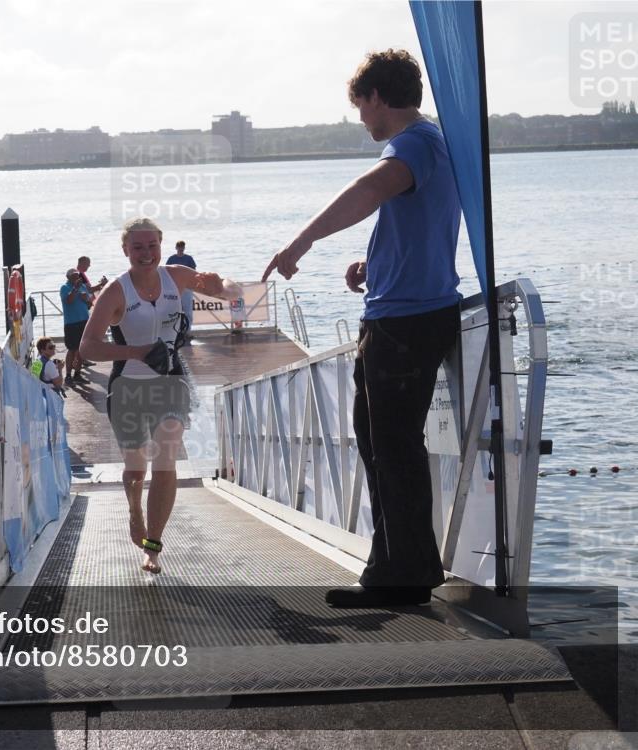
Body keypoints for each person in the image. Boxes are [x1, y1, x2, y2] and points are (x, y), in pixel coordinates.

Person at [262, 49, 461, 608]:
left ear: (378, 97)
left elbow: (368, 191)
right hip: (409, 308)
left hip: (405, 320)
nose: (361, 119)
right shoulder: (435, 143)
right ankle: (399, 565)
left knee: (392, 444)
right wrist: (375, 266)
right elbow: (421, 222)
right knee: (380, 440)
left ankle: (404, 577)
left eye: (360, 107)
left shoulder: (414, 144)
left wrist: (300, 242)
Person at [80, 218, 242, 574]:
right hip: (128, 389)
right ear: (126, 251)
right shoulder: (116, 293)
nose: (146, 254)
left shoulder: (177, 276)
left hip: (170, 382)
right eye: (138, 248)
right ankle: (134, 508)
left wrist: (223, 286)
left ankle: (153, 546)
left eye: (152, 246)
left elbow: (230, 289)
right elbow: (87, 346)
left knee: (166, 453)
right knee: (135, 469)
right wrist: (136, 352)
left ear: (161, 245)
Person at [60, 268, 92, 386]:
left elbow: (89, 305)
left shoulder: (83, 287)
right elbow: (68, 300)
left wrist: (86, 299)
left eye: (77, 274)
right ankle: (68, 376)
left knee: (81, 350)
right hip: (71, 323)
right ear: (68, 277)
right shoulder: (65, 288)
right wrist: (75, 288)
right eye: (73, 275)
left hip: (84, 321)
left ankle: (77, 374)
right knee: (72, 349)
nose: (76, 276)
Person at [166, 240, 197, 338]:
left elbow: (194, 272)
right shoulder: (171, 259)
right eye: (179, 247)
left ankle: (187, 332)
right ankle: (174, 332)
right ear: (176, 248)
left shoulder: (189, 259)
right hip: (174, 289)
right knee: (174, 311)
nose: (181, 249)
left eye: (182, 247)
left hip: (187, 288)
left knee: (188, 311)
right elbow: (166, 273)